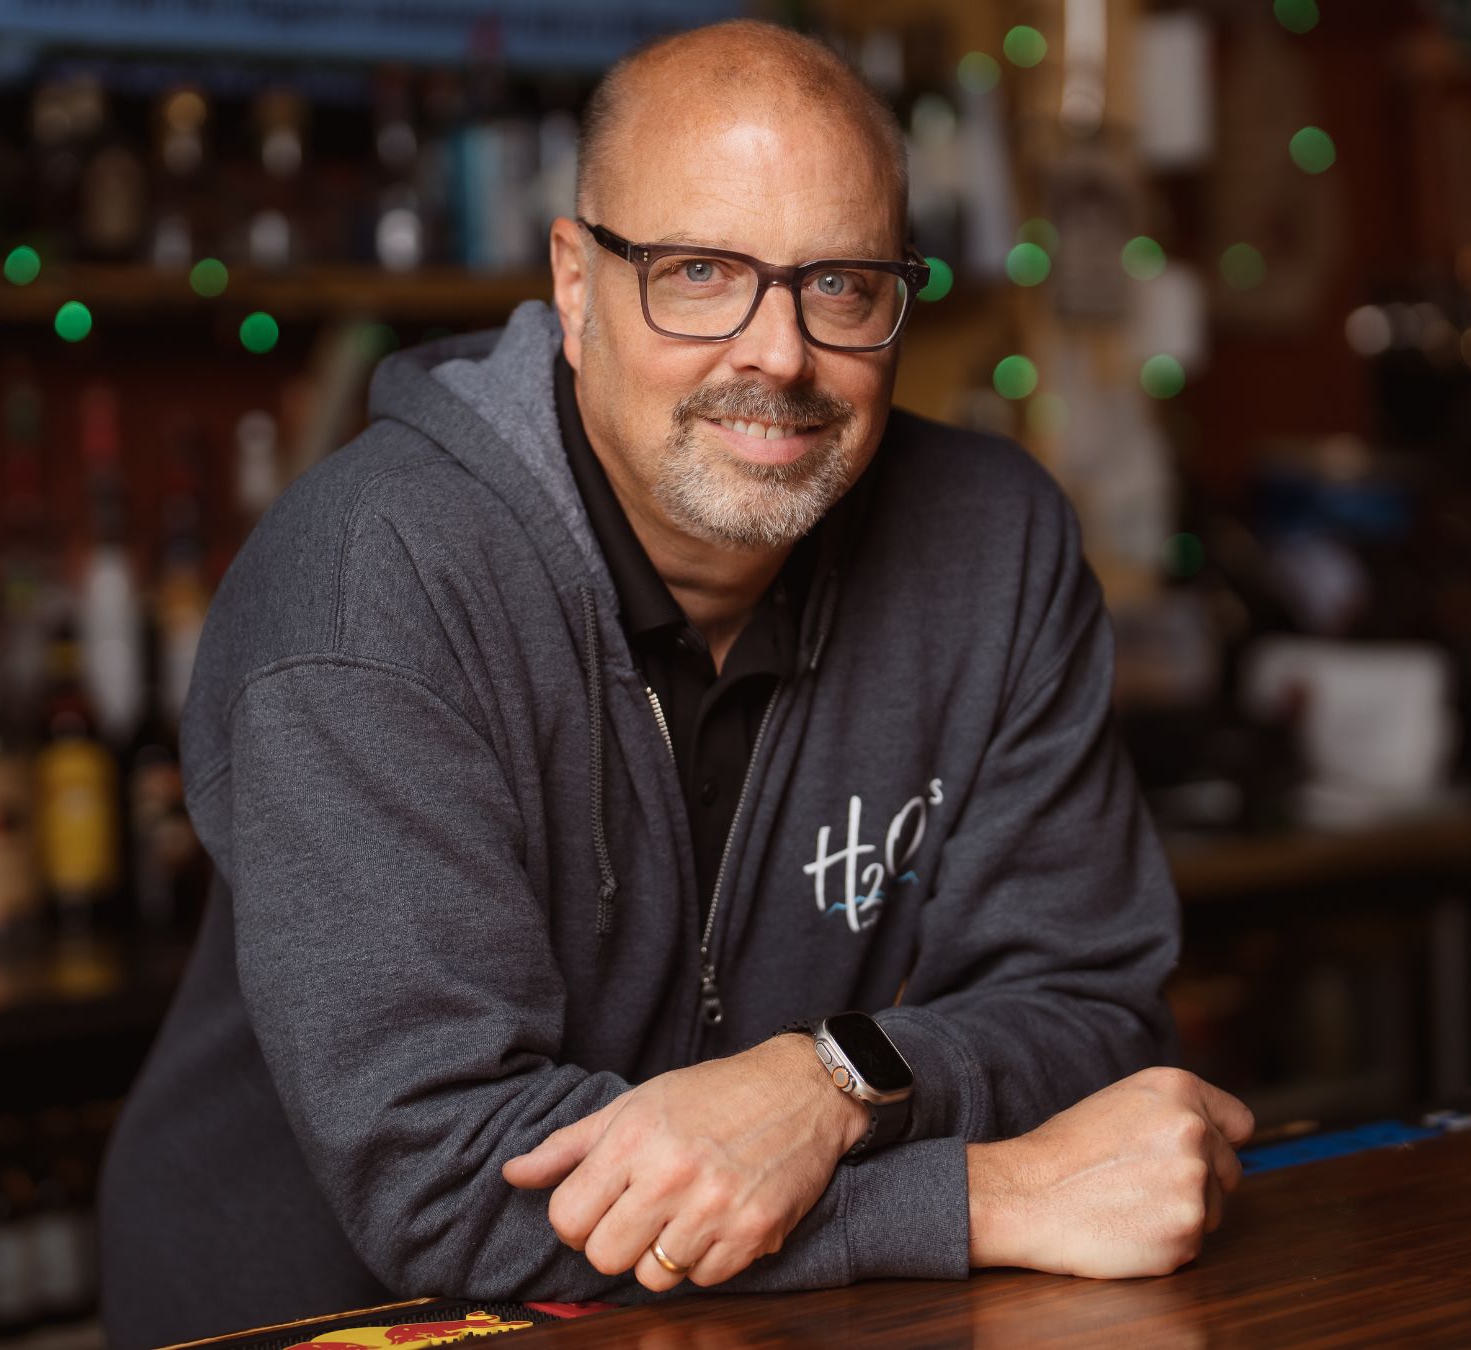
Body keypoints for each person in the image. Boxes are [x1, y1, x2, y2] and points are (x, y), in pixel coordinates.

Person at [98, 20, 1252, 1346]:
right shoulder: (374, 579)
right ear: (576, 284)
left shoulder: (996, 544)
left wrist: (827, 1082)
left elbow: (1093, 1010)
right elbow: (446, 1178)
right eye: (700, 273)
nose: (776, 354)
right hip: (316, 1325)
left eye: (842, 285)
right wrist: (989, 1193)